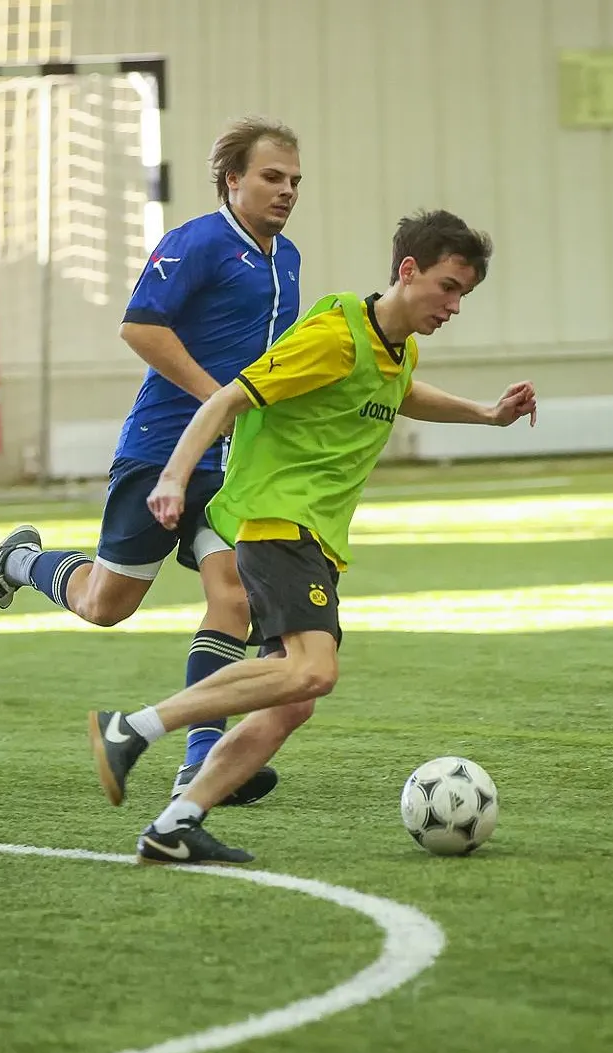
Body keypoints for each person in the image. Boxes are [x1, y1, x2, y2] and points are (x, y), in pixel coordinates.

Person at [84, 209, 538, 866]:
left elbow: (403, 391)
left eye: (463, 293)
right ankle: (133, 729)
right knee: (313, 672)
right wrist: (176, 478)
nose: (454, 305)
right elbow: (228, 400)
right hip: (277, 526)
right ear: (407, 271)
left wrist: (487, 416)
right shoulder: (334, 335)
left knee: (292, 700)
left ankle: (177, 824)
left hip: (314, 541)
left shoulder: (395, 347)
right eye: (447, 286)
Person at [0, 118, 303, 806]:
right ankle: (17, 561)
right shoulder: (194, 243)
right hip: (160, 449)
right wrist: (218, 401)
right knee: (104, 604)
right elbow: (139, 326)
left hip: (234, 467)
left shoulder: (286, 258)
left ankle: (202, 765)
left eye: (294, 180)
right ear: (232, 180)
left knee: (233, 595)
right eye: (271, 177)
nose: (286, 191)